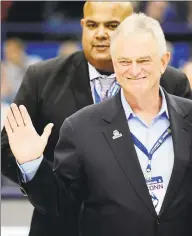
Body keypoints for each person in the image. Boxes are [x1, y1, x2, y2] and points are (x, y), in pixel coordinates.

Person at [1, 2, 192, 236]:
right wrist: (35, 167)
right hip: (61, 222)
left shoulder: (175, 85)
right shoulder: (43, 79)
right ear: (82, 25)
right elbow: (13, 149)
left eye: (112, 25)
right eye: (92, 25)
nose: (101, 33)